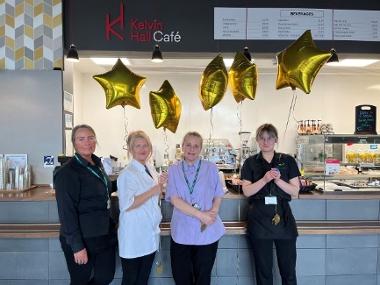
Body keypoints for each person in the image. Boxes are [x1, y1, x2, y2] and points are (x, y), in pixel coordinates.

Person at [54, 124, 117, 285]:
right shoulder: (67, 172)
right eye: (81, 139)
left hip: (103, 234)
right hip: (82, 238)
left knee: (105, 277)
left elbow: (104, 187)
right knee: (80, 280)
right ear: (74, 143)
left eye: (91, 138)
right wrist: (77, 247)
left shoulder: (96, 163)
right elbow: (66, 213)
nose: (87, 142)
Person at [240, 123, 300, 285]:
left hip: (284, 218)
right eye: (262, 138)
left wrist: (278, 180)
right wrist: (264, 179)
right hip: (259, 219)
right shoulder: (250, 162)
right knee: (264, 273)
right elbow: (247, 191)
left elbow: (295, 191)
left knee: (288, 272)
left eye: (270, 138)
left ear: (276, 140)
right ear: (258, 141)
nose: (266, 142)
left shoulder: (287, 161)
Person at [166, 131, 225, 285]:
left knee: (203, 278)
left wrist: (214, 211)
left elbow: (218, 193)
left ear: (201, 149)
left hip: (206, 231)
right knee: (181, 277)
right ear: (182, 147)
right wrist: (201, 215)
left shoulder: (211, 168)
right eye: (188, 145)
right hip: (182, 231)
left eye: (196, 146)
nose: (191, 149)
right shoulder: (173, 169)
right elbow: (174, 199)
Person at [117, 130, 167, 285]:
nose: (142, 149)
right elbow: (127, 204)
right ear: (131, 150)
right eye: (137, 146)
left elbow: (154, 198)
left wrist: (160, 185)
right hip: (134, 235)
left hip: (149, 233)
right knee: (131, 280)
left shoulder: (150, 169)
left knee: (143, 279)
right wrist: (155, 189)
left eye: (145, 145)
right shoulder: (127, 174)